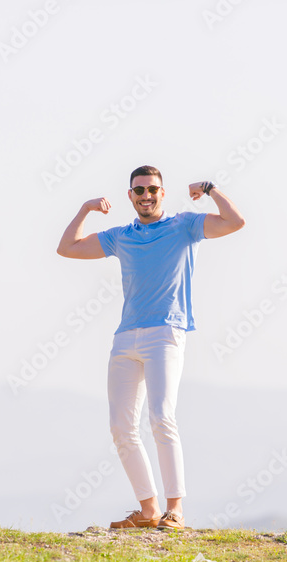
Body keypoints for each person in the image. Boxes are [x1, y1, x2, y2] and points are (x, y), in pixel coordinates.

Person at [56, 165, 246, 529]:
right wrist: (85, 209)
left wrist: (210, 189)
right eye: (139, 190)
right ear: (130, 196)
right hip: (126, 337)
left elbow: (235, 222)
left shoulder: (184, 226)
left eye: (153, 190)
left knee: (161, 417)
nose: (146, 196)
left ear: (163, 192)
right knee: (121, 428)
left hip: (166, 333)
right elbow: (67, 248)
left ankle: (175, 510)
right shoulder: (120, 236)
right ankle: (148, 510)